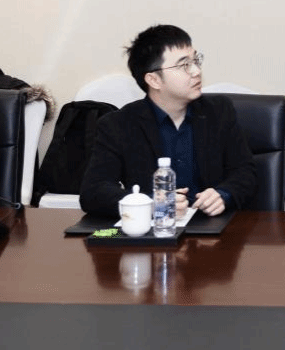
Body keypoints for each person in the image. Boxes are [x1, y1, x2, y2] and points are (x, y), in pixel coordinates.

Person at [80, 24, 256, 219]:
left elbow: (245, 172)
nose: (196, 71)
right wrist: (151, 204)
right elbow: (93, 192)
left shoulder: (219, 111)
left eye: (196, 60)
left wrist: (224, 194)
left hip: (212, 227)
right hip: (155, 230)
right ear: (154, 80)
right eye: (184, 65)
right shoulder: (118, 124)